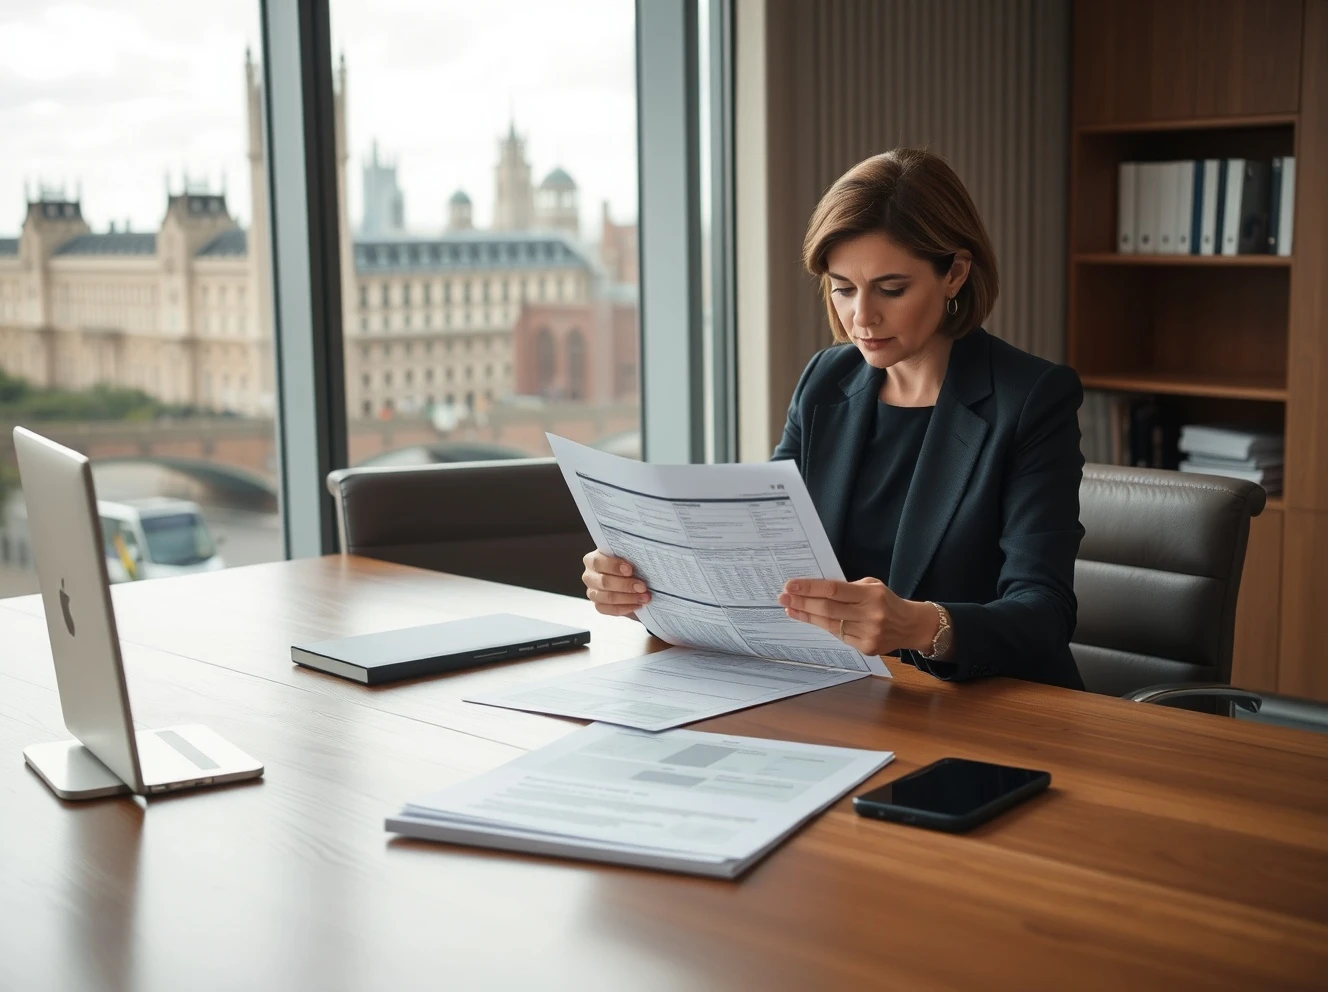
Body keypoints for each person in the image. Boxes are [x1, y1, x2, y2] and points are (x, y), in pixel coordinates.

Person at [581, 148, 1085, 689]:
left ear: (956, 273)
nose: (861, 317)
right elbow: (762, 550)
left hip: (985, 707)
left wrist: (919, 624)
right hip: (842, 694)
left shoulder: (1031, 398)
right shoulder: (826, 380)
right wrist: (648, 589)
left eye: (892, 289)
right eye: (843, 288)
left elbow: (1044, 613)